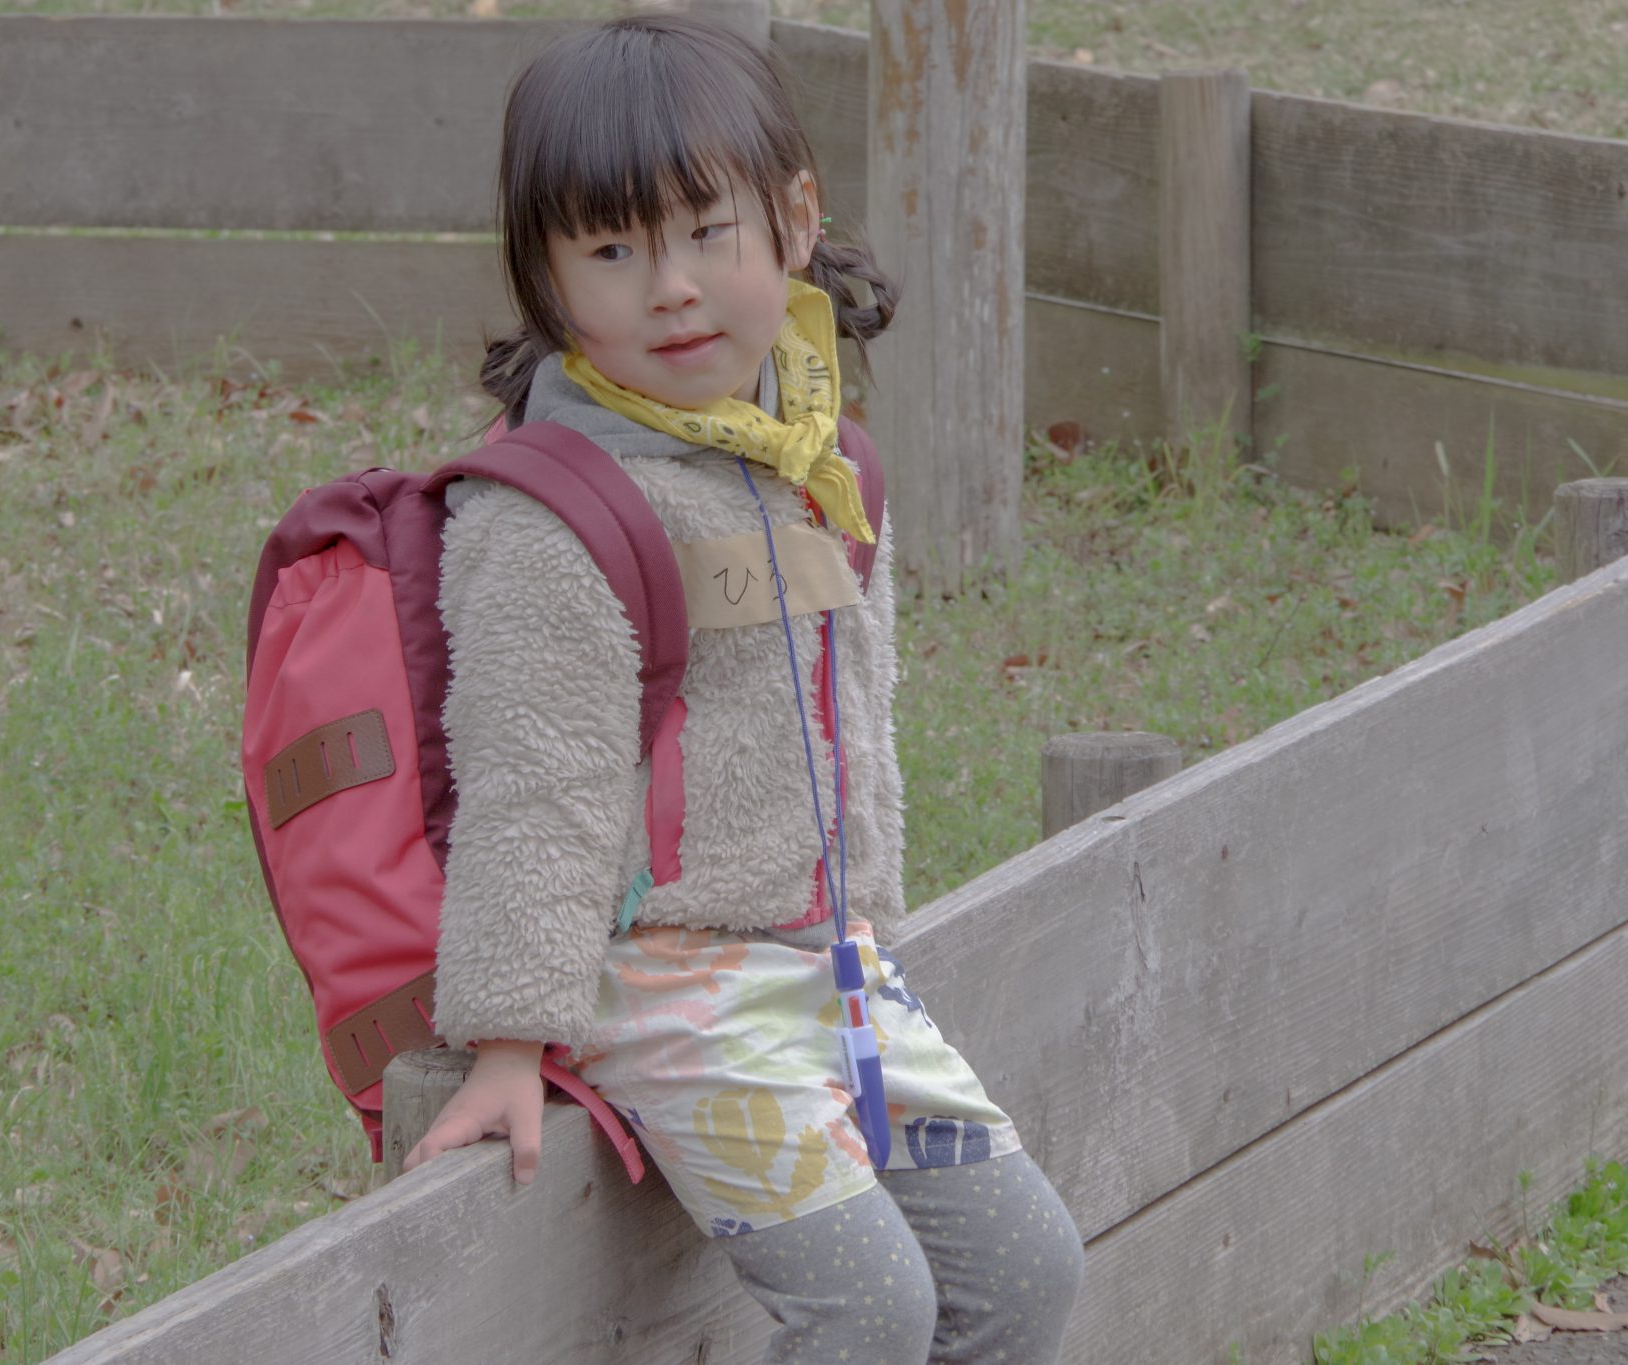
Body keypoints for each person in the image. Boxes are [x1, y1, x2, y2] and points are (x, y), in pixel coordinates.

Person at [401, 14, 1084, 1362]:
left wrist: (866, 913)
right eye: (612, 251)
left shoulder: (819, 458)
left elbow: (857, 713)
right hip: (669, 986)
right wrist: (508, 1038)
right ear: (546, 281)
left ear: (795, 219)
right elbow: (534, 787)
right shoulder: (551, 518)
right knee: (871, 1310)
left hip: (831, 966)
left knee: (1026, 1271)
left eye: (707, 232)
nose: (672, 289)